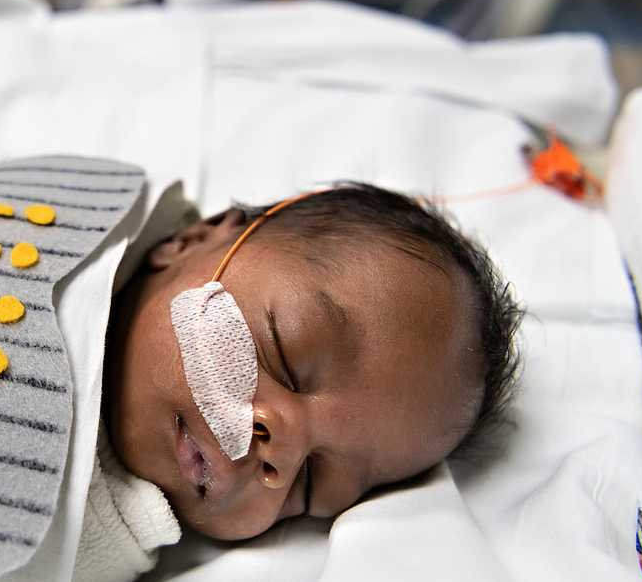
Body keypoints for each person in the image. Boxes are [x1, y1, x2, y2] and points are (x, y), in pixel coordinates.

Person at [88, 183, 522, 575]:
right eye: (283, 358)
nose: (283, 445)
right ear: (193, 240)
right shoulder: (73, 222)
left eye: (310, 481)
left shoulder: (88, 547)